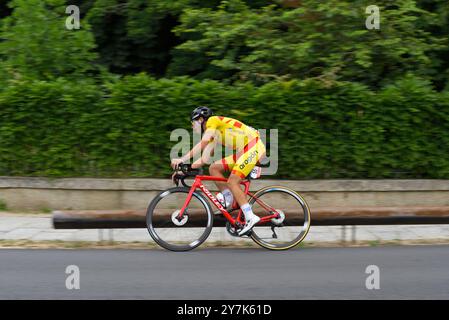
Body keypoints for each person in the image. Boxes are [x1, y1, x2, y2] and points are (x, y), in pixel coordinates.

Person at [171, 106, 266, 236]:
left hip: (253, 147)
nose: (192, 127)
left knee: (233, 181)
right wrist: (185, 170)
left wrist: (182, 159)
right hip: (244, 151)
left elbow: (203, 142)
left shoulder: (212, 121)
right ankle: (228, 198)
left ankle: (250, 217)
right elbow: (204, 159)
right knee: (214, 168)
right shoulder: (213, 134)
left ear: (200, 119)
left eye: (192, 123)